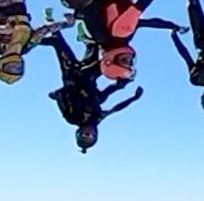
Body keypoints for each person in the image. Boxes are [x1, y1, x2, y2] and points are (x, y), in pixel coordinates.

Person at [44, 24, 144, 153]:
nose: (88, 133)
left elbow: (62, 96)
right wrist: (133, 98)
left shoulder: (74, 118)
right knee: (96, 49)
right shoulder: (96, 119)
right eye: (90, 136)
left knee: (57, 42)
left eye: (84, 135)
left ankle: (25, 43)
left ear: (78, 133)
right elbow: (115, 109)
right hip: (89, 80)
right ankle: (90, 40)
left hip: (74, 77)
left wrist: (57, 95)